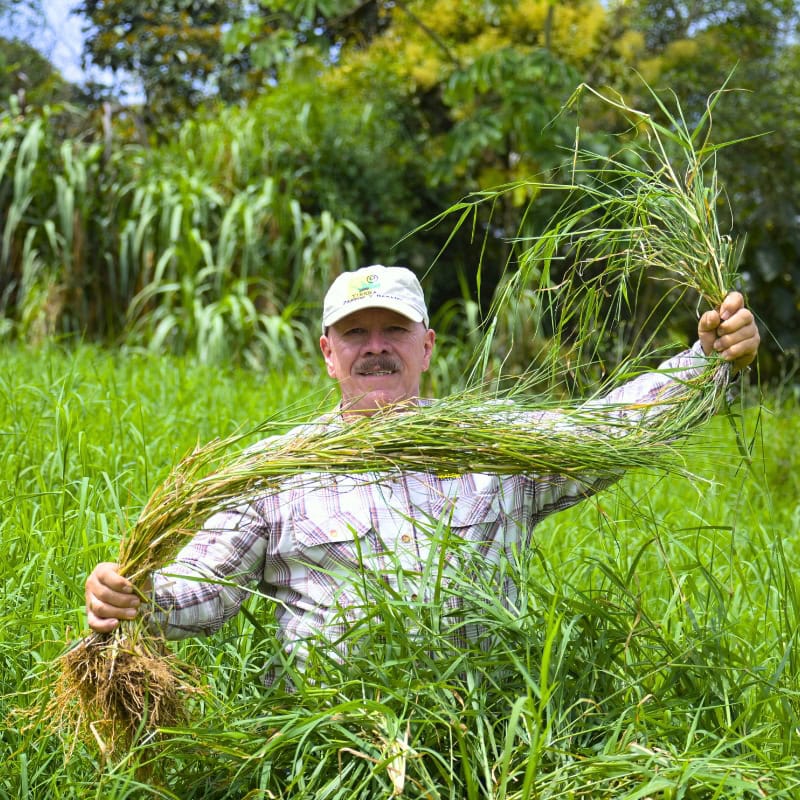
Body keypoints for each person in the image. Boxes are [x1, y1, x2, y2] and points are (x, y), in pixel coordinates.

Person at [85, 265, 760, 679]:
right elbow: (206, 590)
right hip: (325, 748)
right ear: (327, 353)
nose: (375, 347)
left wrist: (706, 359)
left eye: (394, 331)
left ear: (427, 346)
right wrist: (136, 598)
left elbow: (607, 430)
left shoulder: (493, 445)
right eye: (355, 333)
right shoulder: (273, 468)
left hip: (483, 746)